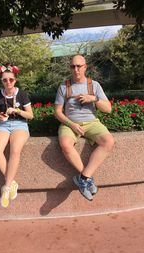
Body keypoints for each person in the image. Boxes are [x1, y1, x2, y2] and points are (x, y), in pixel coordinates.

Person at [54, 54, 114, 201]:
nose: (76, 69)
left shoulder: (94, 85)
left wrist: (93, 98)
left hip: (92, 123)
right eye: (73, 66)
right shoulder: (64, 86)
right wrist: (71, 124)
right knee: (65, 144)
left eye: (79, 66)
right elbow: (57, 112)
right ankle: (86, 179)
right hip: (70, 123)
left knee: (109, 142)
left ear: (85, 67)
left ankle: (83, 178)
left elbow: (108, 109)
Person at [0, 63, 34, 208]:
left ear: (15, 80)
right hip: (4, 125)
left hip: (20, 125)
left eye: (11, 79)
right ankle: (12, 183)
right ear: (2, 81)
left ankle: (6, 187)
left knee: (15, 151)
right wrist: (1, 117)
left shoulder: (22, 94)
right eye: (5, 80)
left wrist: (17, 111)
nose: (8, 82)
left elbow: (31, 115)